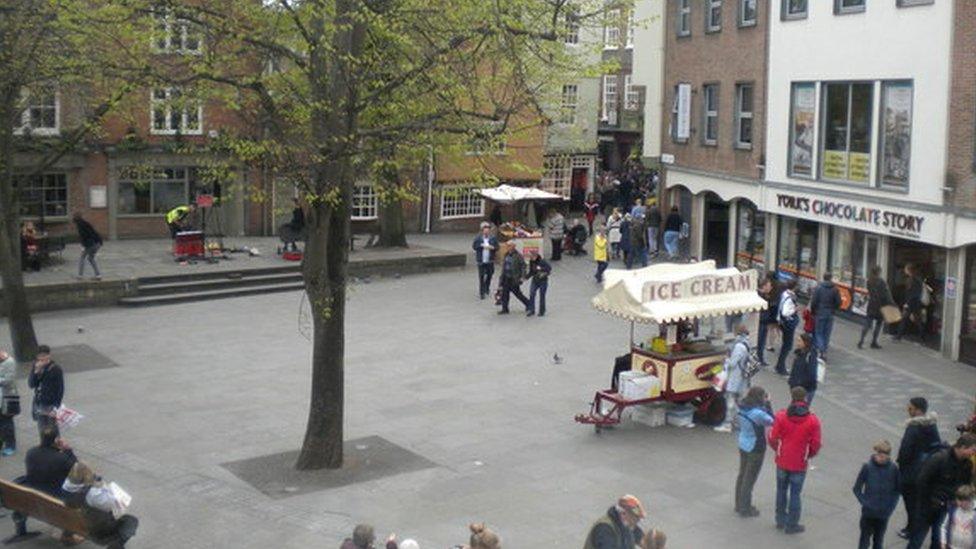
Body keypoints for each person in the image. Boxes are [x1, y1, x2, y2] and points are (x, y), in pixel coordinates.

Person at [768, 386, 822, 535]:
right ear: (805, 399)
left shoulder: (781, 416)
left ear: (791, 397)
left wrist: (778, 450)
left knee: (781, 491)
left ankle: (780, 520)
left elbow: (772, 437)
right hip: (799, 463)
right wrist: (808, 455)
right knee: (795, 494)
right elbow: (816, 444)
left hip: (782, 460)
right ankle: (792, 525)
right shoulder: (812, 420)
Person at [11, 426, 79, 543]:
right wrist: (68, 450)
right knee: (77, 496)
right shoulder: (61, 458)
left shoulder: (31, 452)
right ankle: (67, 535)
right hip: (55, 497)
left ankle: (20, 530)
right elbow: (77, 469)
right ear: (57, 441)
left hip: (31, 494)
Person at [908, 434, 976, 549]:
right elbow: (921, 481)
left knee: (938, 541)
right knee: (917, 539)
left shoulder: (967, 465)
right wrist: (930, 500)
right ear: (963, 447)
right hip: (927, 507)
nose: (973, 453)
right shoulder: (939, 459)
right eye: (972, 450)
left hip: (947, 508)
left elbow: (965, 487)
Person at [62, 462, 139, 548]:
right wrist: (101, 485)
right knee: (131, 521)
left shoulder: (66, 486)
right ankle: (116, 546)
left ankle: (66, 535)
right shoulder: (92, 495)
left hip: (73, 521)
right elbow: (111, 505)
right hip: (96, 529)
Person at [897, 397, 942, 541]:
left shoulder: (913, 427)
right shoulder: (931, 425)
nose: (908, 411)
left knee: (911, 503)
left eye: (910, 408)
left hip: (911, 473)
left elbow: (905, 451)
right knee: (919, 502)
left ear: (917, 410)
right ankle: (915, 528)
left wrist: (901, 465)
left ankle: (911, 529)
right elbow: (937, 446)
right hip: (926, 470)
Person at [853, 440, 901, 549]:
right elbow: (856, 488)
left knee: (878, 541)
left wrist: (891, 507)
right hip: (868, 512)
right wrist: (865, 502)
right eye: (878, 455)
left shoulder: (894, 469)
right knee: (864, 540)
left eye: (883, 456)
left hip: (883, 514)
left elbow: (898, 490)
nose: (880, 458)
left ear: (888, 456)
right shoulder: (867, 467)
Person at [735, 386, 774, 518]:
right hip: (755, 446)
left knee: (742, 475)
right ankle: (745, 507)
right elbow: (772, 420)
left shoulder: (741, 406)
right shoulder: (758, 413)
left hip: (743, 442)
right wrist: (768, 403)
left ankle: (738, 503)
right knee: (749, 478)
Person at [716, 325, 751, 433]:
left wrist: (726, 360)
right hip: (743, 378)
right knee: (739, 401)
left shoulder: (739, 346)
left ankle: (728, 424)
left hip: (736, 378)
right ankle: (739, 422)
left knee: (730, 401)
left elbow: (732, 363)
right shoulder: (746, 343)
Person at [28, 345, 64, 432]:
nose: (41, 358)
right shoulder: (36, 366)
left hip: (50, 403)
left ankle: (54, 444)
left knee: (52, 429)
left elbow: (60, 389)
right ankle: (44, 444)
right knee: (42, 428)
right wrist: (36, 372)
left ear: (49, 355)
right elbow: (31, 384)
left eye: (44, 355)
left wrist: (56, 406)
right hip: (39, 402)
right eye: (39, 356)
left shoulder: (55, 369)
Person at [859, 266, 894, 349]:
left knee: (867, 323)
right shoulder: (882, 282)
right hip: (880, 305)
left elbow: (869, 292)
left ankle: (861, 340)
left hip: (871, 305)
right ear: (879, 272)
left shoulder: (869, 281)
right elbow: (886, 294)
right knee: (878, 324)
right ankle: (874, 342)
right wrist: (891, 303)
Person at [809, 272, 841, 359]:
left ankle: (821, 349)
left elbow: (814, 301)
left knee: (819, 332)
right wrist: (833, 309)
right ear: (831, 278)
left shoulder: (819, 288)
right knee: (827, 333)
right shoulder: (835, 289)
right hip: (830, 313)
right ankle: (824, 351)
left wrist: (813, 312)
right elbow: (839, 302)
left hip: (820, 312)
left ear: (823, 278)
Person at [775, 279, 800, 376]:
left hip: (782, 322)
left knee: (786, 345)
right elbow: (785, 312)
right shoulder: (790, 298)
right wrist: (794, 310)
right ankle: (780, 366)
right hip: (788, 323)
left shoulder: (784, 294)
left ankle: (780, 365)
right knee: (787, 346)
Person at [896, 263, 926, 342]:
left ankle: (898, 336)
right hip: (916, 302)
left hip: (911, 303)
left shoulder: (910, 280)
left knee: (904, 319)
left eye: (905, 269)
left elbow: (910, 293)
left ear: (908, 270)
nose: (904, 271)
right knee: (918, 319)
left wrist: (907, 303)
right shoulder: (918, 279)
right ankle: (922, 336)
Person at [498, 245, 530, 315]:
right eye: (508, 246)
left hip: (514, 278)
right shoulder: (506, 255)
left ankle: (528, 304)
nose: (508, 247)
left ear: (513, 247)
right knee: (505, 294)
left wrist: (522, 276)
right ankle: (505, 309)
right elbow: (504, 266)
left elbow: (523, 266)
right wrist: (501, 278)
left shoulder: (518, 256)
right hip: (506, 277)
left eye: (509, 246)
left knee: (517, 293)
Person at [788, 333, 819, 404]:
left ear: (805, 342)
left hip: (805, 389)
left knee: (801, 409)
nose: (797, 343)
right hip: (797, 388)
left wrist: (801, 385)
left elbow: (812, 374)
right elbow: (795, 370)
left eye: (799, 341)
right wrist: (791, 383)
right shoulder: (798, 353)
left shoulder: (810, 356)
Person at [756, 273, 778, 366]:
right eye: (769, 286)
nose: (771, 288)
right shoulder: (759, 296)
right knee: (759, 341)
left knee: (762, 341)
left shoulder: (766, 296)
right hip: (760, 322)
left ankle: (760, 358)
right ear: (764, 286)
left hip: (765, 321)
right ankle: (758, 358)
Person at [472, 224, 498, 300]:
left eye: (488, 231)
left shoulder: (493, 238)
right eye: (485, 231)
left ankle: (487, 286)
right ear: (482, 231)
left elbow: (497, 247)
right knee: (481, 276)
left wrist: (492, 247)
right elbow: (474, 247)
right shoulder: (478, 238)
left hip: (490, 260)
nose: (486, 232)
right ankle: (482, 293)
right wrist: (481, 246)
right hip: (481, 260)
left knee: (490, 274)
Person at [73, 213, 103, 280]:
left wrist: (84, 246)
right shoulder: (86, 223)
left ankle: (80, 275)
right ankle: (98, 275)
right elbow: (92, 232)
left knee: (82, 257)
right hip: (98, 243)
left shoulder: (80, 226)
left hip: (91, 244)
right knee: (90, 258)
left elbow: (85, 236)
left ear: (76, 221)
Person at [0, 347, 16, 456]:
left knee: (7, 422)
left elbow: (9, 380)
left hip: (6, 397)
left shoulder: (9, 362)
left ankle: (11, 445)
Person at [526, 251, 551, 317]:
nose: (530, 258)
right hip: (535, 280)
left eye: (531, 256)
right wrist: (526, 277)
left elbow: (549, 268)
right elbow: (531, 271)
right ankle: (531, 310)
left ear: (535, 256)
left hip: (543, 281)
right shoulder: (531, 261)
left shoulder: (542, 261)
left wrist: (541, 268)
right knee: (532, 294)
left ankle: (542, 311)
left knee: (542, 296)